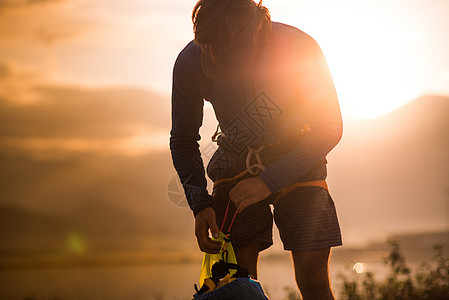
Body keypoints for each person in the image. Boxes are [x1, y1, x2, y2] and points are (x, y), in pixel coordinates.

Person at [169, 0, 343, 299]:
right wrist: (200, 203)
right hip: (234, 159)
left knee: (314, 282)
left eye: (227, 50)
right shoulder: (190, 60)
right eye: (208, 47)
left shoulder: (298, 48)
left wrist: (268, 181)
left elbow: (329, 126)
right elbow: (183, 140)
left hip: (300, 155)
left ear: (255, 36)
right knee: (240, 285)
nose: (214, 57)